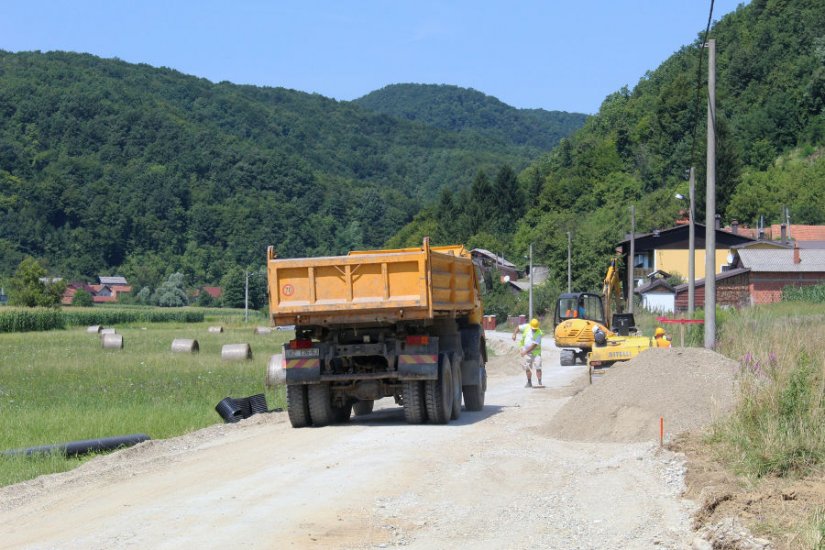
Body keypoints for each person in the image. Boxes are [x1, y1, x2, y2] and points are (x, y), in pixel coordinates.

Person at [512, 318, 543, 387]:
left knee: (538, 366)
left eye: (535, 328)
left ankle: (540, 382)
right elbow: (518, 328)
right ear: (530, 326)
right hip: (526, 352)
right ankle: (529, 382)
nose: (534, 329)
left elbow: (534, 345)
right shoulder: (526, 327)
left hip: (536, 352)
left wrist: (525, 352)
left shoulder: (539, 333)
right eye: (533, 328)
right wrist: (514, 334)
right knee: (527, 368)